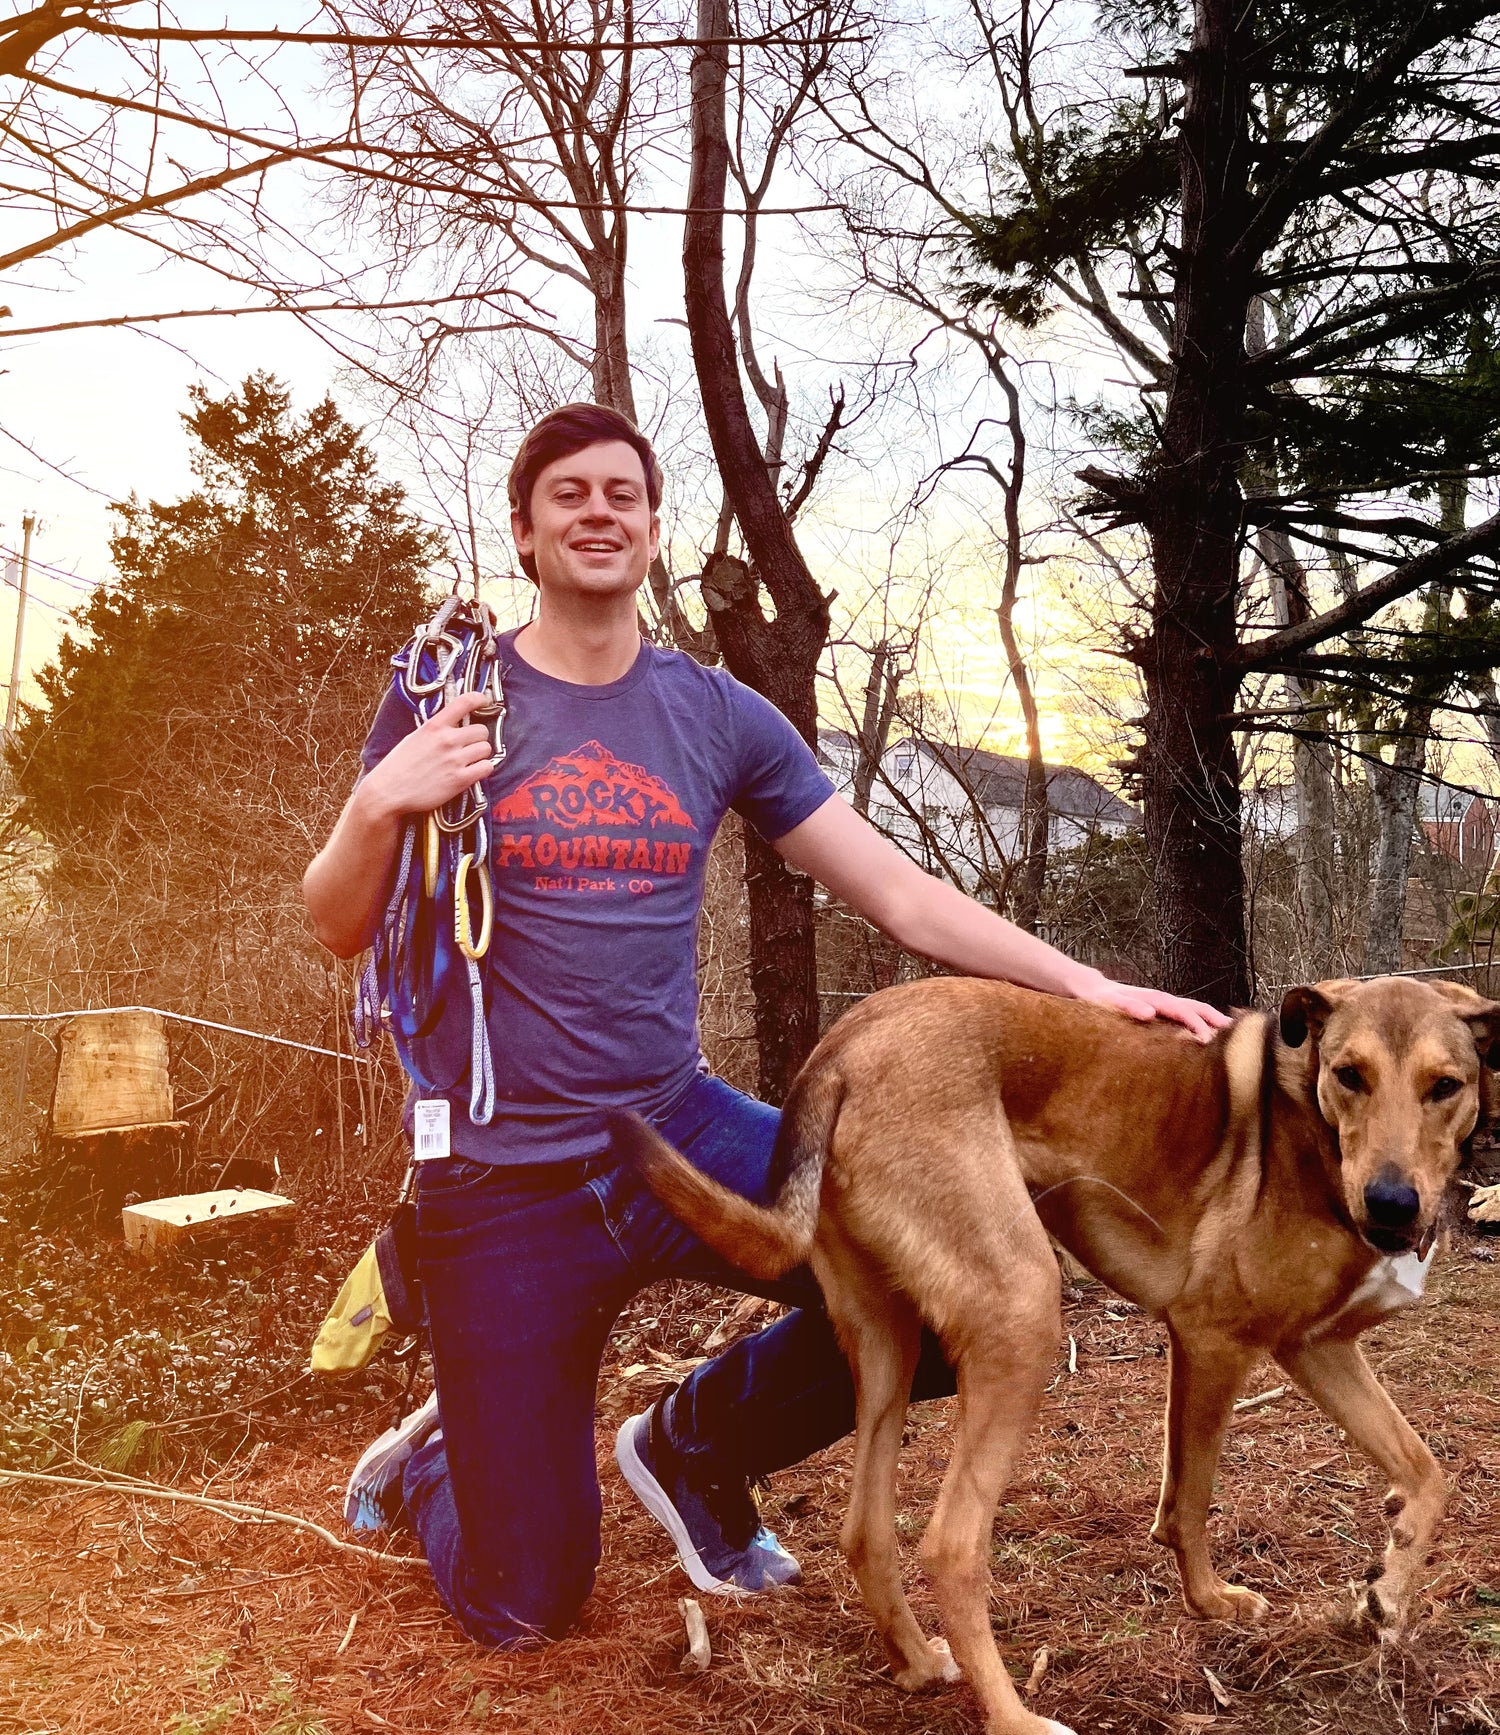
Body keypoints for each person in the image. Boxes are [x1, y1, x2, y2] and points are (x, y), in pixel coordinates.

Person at [302, 402, 1229, 1647]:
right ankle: (441, 1460)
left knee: (944, 1294)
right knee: (527, 1602)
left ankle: (690, 1446)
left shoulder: (716, 713)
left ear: (651, 528)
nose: (598, 511)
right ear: (524, 533)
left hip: (672, 1133)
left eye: (622, 493)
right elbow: (337, 924)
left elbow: (899, 891)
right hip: (494, 1170)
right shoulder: (452, 701)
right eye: (567, 494)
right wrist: (377, 803)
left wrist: (1089, 987)